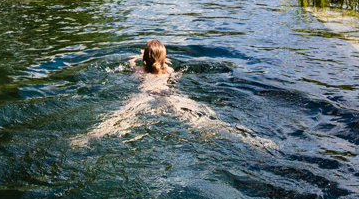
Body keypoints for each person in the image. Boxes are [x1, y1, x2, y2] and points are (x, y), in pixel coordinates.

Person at [73, 40, 274, 150]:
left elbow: (130, 63)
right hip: (169, 96)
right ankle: (250, 141)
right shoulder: (168, 71)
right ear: (164, 59)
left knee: (120, 118)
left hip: (145, 96)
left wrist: (136, 57)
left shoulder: (138, 71)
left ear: (144, 59)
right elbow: (170, 70)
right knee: (200, 119)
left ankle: (88, 138)